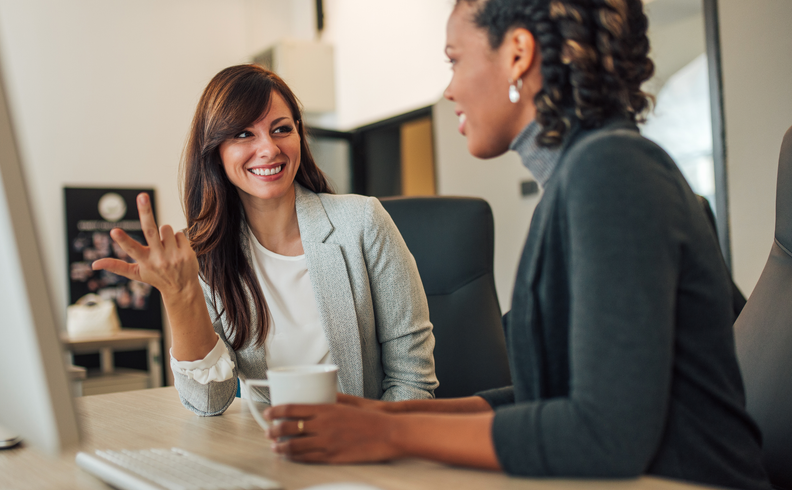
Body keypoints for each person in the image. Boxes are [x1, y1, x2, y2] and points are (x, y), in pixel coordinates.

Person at [263, 1, 772, 488]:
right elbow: (551, 398)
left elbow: (604, 436)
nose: (449, 90)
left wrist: (387, 433)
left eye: (455, 61)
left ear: (517, 55)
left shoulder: (613, 174)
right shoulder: (583, 175)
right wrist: (391, 413)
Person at [93, 64, 438, 416]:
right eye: (243, 134)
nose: (269, 149)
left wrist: (370, 448)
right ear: (215, 151)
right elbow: (209, 401)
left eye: (281, 129)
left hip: (366, 448)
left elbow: (412, 380)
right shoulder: (205, 257)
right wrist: (179, 296)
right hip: (273, 451)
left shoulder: (362, 223)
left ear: (299, 135)